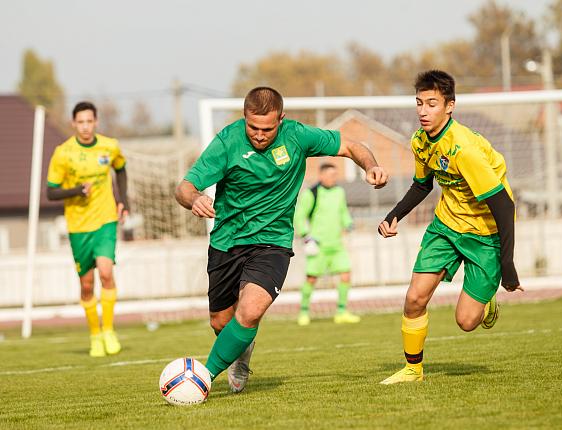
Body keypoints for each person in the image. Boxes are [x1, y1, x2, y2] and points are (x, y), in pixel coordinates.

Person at [175, 87, 388, 393]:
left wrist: (371, 166)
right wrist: (194, 198)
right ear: (244, 118)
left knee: (250, 311)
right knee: (222, 324)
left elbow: (351, 146)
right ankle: (240, 351)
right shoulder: (227, 141)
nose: (259, 135)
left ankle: (202, 378)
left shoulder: (297, 136)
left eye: (267, 129)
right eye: (252, 127)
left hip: (272, 242)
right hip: (227, 242)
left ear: (282, 120)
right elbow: (184, 187)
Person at [377, 70, 523, 384]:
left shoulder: (464, 150)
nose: (422, 111)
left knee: (466, 322)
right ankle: (413, 370)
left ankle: (485, 303)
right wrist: (393, 215)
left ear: (450, 106)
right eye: (419, 103)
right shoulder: (420, 141)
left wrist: (507, 265)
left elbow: (504, 205)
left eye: (431, 104)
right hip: (446, 226)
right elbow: (421, 185)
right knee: (415, 298)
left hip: (486, 235)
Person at [47, 101, 129, 357]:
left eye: (89, 121)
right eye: (80, 122)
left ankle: (108, 330)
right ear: (74, 124)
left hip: (105, 220)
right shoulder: (63, 153)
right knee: (86, 285)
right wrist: (76, 191)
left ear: (95, 122)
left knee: (106, 272)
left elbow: (121, 169)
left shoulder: (109, 145)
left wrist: (122, 201)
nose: (85, 126)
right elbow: (50, 191)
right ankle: (94, 334)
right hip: (78, 225)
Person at [293, 162, 360, 325]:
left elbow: (343, 211)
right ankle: (303, 312)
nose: (333, 178)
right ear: (321, 175)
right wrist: (306, 235)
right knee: (311, 279)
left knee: (345, 275)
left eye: (335, 175)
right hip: (318, 246)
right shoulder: (311, 193)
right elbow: (299, 216)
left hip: (337, 245)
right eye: (330, 175)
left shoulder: (339, 192)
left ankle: (342, 312)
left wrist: (348, 224)